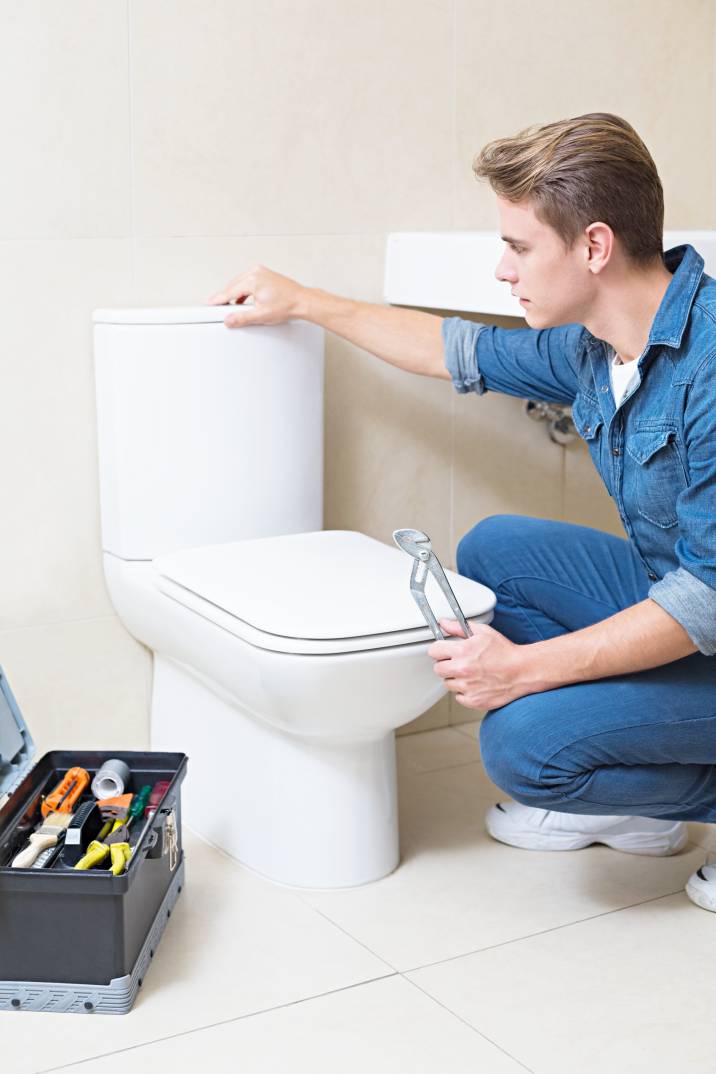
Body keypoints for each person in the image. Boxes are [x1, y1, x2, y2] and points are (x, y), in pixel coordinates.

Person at [207, 113, 716, 913]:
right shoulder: (598, 343)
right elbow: (454, 351)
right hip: (688, 605)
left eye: (518, 247)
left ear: (593, 247)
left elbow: (709, 599)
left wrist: (525, 670)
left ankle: (634, 768)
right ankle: (638, 803)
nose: (502, 271)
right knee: (497, 549)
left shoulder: (711, 366)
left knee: (525, 750)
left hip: (709, 612)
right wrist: (304, 301)